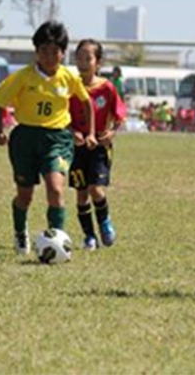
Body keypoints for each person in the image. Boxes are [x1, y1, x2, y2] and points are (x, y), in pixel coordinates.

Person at [0, 21, 97, 255]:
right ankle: (20, 232)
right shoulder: (23, 77)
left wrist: (89, 132)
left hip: (57, 139)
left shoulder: (68, 77)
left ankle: (56, 241)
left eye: (55, 51)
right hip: (25, 139)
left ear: (63, 53)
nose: (50, 57)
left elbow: (86, 102)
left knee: (55, 188)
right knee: (25, 195)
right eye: (44, 51)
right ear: (36, 51)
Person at [69, 39, 126, 250]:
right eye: (79, 57)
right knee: (81, 192)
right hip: (76, 146)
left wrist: (112, 132)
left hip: (100, 146)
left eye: (88, 58)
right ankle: (89, 236)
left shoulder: (107, 88)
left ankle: (104, 222)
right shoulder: (71, 87)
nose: (83, 62)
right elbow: (63, 115)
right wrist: (71, 131)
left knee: (96, 189)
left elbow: (120, 115)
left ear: (98, 63)